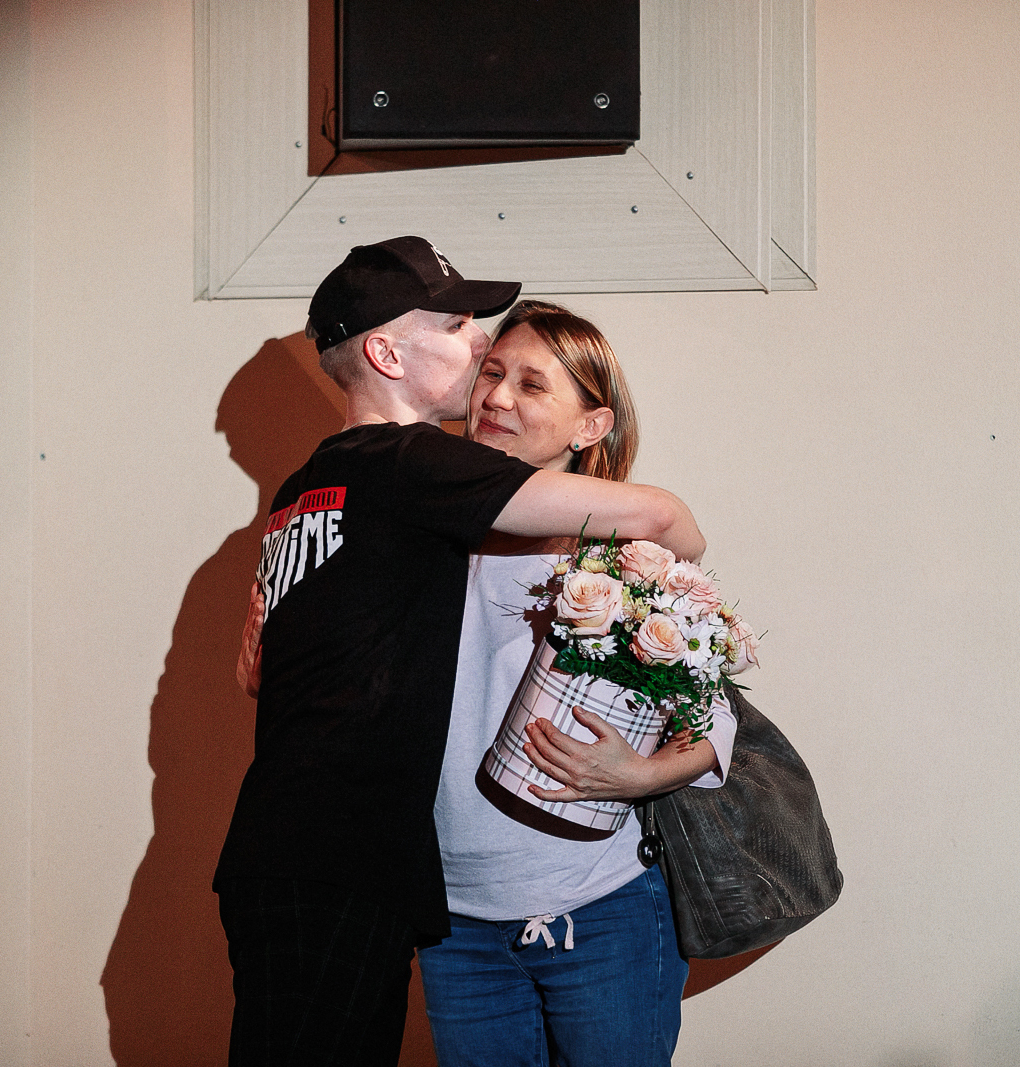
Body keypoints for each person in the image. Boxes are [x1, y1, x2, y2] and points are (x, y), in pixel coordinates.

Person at [215, 238, 707, 1067]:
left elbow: (274, 667)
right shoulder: (413, 464)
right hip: (351, 863)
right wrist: (671, 548)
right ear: (386, 354)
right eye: (456, 327)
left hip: (301, 857)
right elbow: (663, 517)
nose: (479, 344)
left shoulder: (307, 487)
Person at [417, 300, 737, 1067]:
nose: (497, 396)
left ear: (590, 426)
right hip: (454, 925)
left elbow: (712, 720)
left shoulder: (621, 556)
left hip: (603, 910)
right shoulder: (421, 536)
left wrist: (642, 774)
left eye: (532, 384)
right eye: (491, 373)